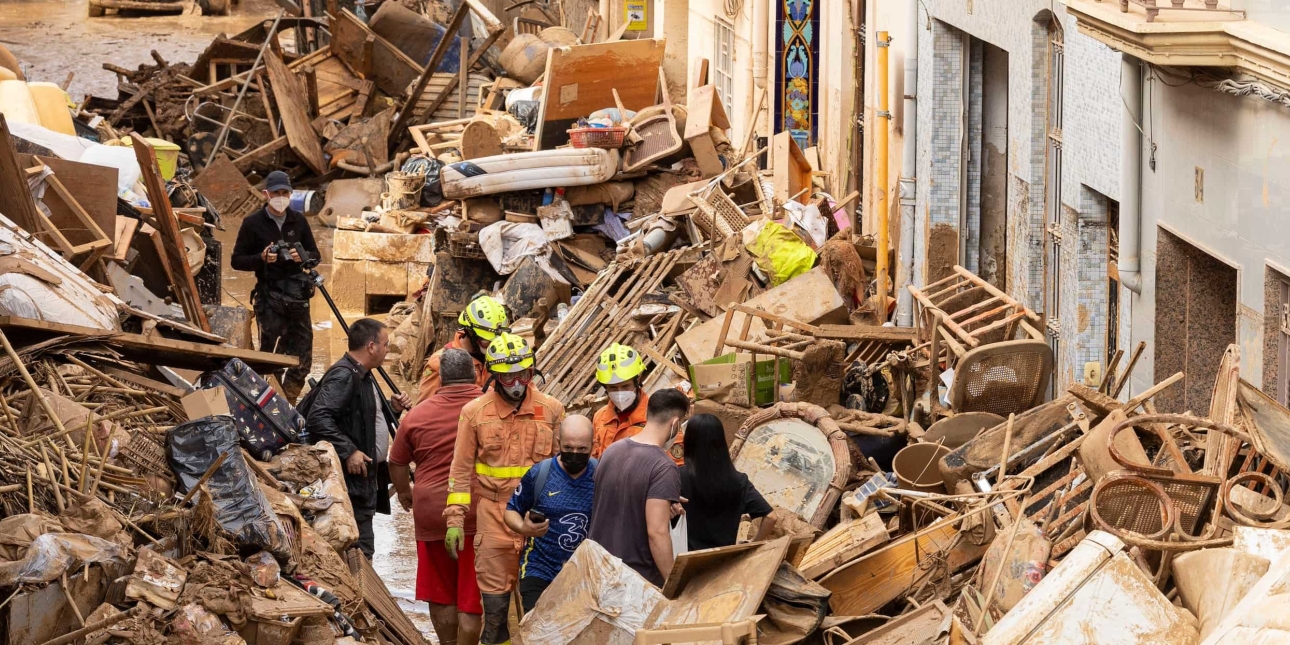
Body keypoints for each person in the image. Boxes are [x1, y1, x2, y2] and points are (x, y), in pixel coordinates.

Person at [444, 332, 564, 645]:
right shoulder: (474, 413)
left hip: (541, 521)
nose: (516, 383)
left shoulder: (551, 410)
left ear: (531, 372)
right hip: (493, 518)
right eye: (508, 376)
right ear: (495, 376)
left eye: (523, 375)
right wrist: (455, 520)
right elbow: (459, 470)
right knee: (495, 616)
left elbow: (566, 471)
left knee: (542, 609)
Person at [389, 349, 483, 645]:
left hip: (432, 510)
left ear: (440, 378)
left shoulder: (417, 414)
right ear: (477, 374)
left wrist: (405, 493)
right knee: (472, 594)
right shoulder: (489, 408)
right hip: (478, 510)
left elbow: (397, 461)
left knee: (441, 590)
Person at [306, 318, 411, 559]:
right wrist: (349, 450)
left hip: (365, 482)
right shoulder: (344, 376)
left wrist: (392, 410)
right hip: (351, 484)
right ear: (371, 347)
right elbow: (318, 417)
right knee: (360, 550)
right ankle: (358, 595)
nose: (387, 350)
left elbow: (361, 421)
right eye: (385, 344)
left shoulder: (363, 375)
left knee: (362, 547)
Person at [230, 170, 321, 402]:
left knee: (302, 358)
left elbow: (315, 254)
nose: (280, 197)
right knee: (268, 358)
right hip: (269, 297)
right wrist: (261, 258)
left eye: (284, 192)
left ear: (290, 194)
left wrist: (301, 256)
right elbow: (236, 260)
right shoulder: (252, 223)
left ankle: (287, 400)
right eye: (276, 193)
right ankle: (269, 403)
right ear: (266, 194)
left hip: (298, 298)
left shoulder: (298, 220)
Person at [587, 388, 689, 587]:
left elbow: (616, 500)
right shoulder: (663, 466)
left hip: (599, 570)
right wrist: (672, 584)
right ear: (675, 423)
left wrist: (663, 498)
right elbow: (657, 533)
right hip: (636, 581)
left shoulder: (611, 451)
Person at [504, 415, 596, 613]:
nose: (574, 454)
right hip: (539, 567)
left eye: (582, 449)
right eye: (569, 448)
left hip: (584, 572)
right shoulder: (540, 474)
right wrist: (523, 527)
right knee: (537, 629)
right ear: (558, 443)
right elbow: (511, 510)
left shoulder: (601, 475)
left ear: (592, 445)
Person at [678, 414, 774, 551]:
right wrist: (753, 543)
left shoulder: (678, 477)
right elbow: (771, 517)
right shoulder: (739, 481)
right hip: (723, 561)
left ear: (688, 441)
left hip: (686, 559)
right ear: (721, 442)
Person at [590, 343, 683, 465]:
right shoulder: (600, 418)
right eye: (613, 388)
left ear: (638, 380)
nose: (620, 392)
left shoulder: (661, 417)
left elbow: (676, 467)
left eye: (625, 386)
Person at [415, 295, 509, 405]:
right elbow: (425, 408)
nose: (492, 345)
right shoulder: (440, 363)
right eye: (487, 339)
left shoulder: (498, 356)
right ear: (469, 331)